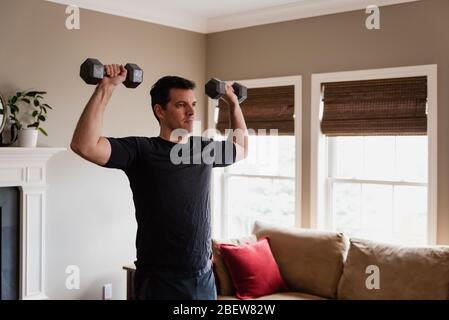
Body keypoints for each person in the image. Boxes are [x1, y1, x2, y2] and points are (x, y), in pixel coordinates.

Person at [70, 64, 248, 300]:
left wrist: (233, 103)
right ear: (160, 111)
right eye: (181, 105)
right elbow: (85, 145)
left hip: (203, 278)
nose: (191, 112)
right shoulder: (141, 150)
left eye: (193, 105)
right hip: (160, 282)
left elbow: (242, 148)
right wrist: (106, 87)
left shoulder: (204, 149)